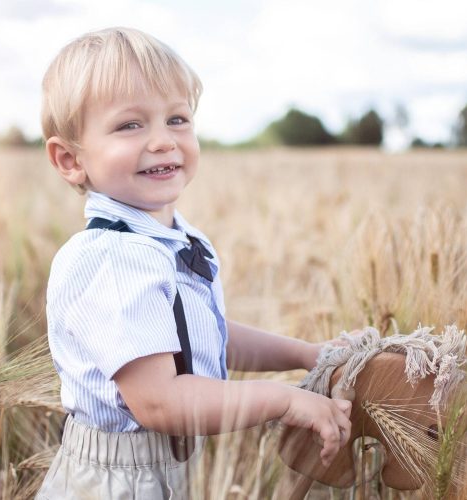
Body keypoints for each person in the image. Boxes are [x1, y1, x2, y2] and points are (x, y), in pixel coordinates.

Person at [36, 26, 352, 499]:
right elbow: (160, 402)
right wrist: (284, 399)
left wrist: (309, 354)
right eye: (130, 125)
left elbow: (206, 336)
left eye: (178, 119)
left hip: (174, 471)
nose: (163, 141)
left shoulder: (171, 238)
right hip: (118, 481)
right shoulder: (111, 259)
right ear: (69, 160)